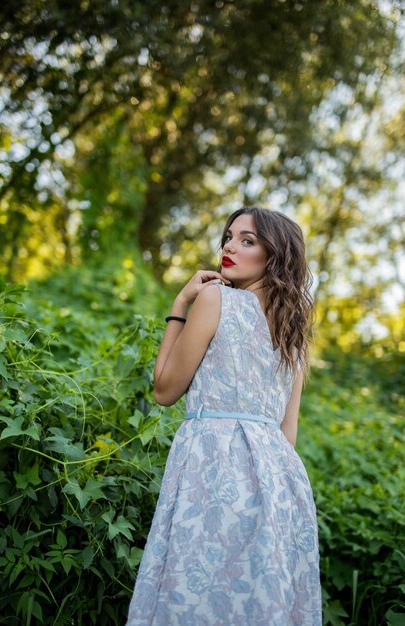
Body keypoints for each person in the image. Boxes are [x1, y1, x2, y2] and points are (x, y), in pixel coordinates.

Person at [126, 206, 322, 625]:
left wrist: (181, 302)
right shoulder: (295, 337)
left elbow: (164, 390)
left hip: (213, 471)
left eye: (247, 240)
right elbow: (288, 435)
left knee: (198, 595)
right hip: (280, 485)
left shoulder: (214, 299)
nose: (229, 247)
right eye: (229, 237)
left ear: (275, 256)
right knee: (256, 601)